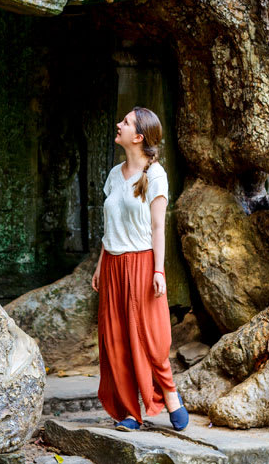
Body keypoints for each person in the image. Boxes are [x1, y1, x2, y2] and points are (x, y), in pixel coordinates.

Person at [91, 106, 189, 431]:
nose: (118, 124)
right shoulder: (113, 174)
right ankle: (130, 412)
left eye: (126, 122)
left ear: (138, 136)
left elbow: (158, 228)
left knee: (153, 336)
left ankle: (169, 392)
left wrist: (158, 271)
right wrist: (100, 265)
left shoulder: (156, 175)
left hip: (143, 262)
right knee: (116, 339)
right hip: (113, 265)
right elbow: (109, 228)